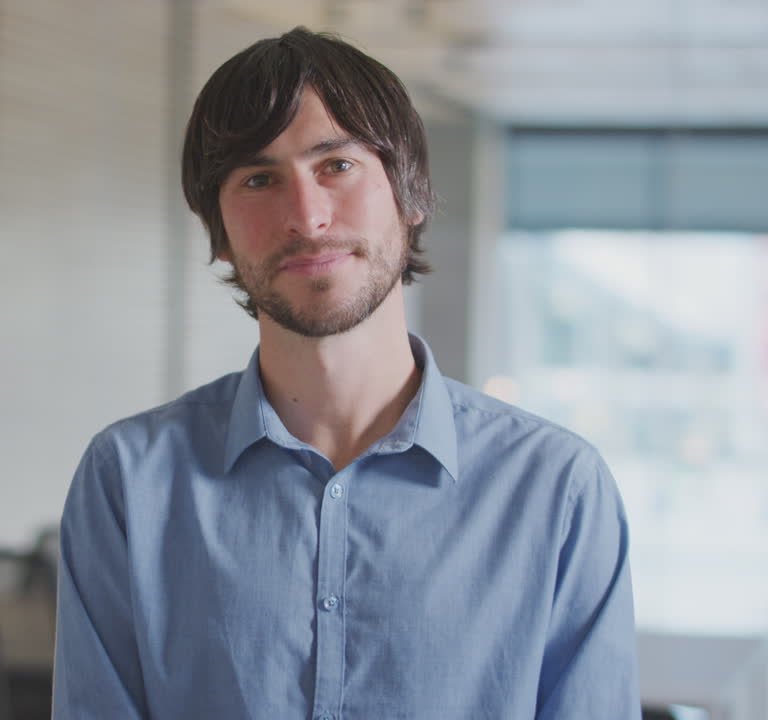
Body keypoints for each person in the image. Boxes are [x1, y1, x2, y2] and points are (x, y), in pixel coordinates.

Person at [53, 27, 638, 719]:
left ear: (411, 194)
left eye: (336, 165)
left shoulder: (557, 489)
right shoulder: (129, 479)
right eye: (259, 180)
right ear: (220, 233)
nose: (306, 217)